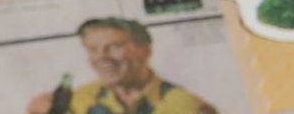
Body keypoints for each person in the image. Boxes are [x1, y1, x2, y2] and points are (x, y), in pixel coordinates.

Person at [26, 19, 218, 114]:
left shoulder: (186, 106)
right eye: (93, 50)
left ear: (144, 51)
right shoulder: (79, 100)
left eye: (114, 47)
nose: (102, 58)